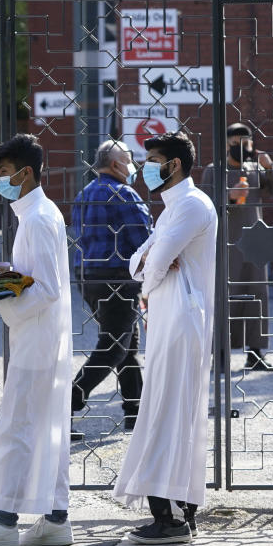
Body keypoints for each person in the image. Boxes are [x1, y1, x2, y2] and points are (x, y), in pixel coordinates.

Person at [0, 134, 74, 546]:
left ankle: (4, 523)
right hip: (42, 337)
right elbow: (30, 276)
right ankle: (56, 520)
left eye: (4, 172)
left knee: (18, 425)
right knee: (46, 426)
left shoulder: (38, 217)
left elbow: (46, 289)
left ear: (26, 173)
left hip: (37, 338)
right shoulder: (38, 213)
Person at [113, 131, 217, 544]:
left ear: (173, 165)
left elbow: (152, 262)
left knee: (172, 415)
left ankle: (172, 518)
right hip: (167, 317)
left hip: (181, 321)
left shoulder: (192, 205)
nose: (146, 167)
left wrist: (149, 270)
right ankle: (174, 513)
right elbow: (141, 260)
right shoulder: (171, 208)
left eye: (153, 159)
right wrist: (150, 268)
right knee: (166, 412)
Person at [71, 140, 150, 434]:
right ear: (116, 164)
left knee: (125, 346)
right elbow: (145, 240)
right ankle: (68, 404)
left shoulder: (84, 193)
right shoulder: (124, 193)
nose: (133, 166)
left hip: (89, 278)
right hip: (118, 278)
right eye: (129, 160)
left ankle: (136, 412)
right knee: (114, 347)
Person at [200, 122, 273, 372]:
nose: (241, 147)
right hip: (226, 242)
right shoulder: (213, 171)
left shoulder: (256, 169)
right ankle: (220, 354)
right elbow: (204, 206)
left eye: (246, 142)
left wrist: (271, 168)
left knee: (257, 297)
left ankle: (256, 353)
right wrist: (229, 197)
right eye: (236, 143)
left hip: (256, 242)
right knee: (225, 296)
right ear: (226, 145)